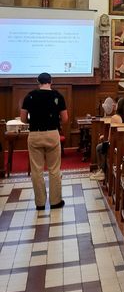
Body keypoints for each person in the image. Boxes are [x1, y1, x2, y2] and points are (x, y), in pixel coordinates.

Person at [19, 72, 68, 210]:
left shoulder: (30, 95)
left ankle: (40, 203)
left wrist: (33, 120)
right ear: (51, 82)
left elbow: (23, 119)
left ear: (38, 82)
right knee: (54, 169)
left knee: (36, 170)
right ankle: (55, 202)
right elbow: (65, 118)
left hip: (35, 134)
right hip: (52, 133)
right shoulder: (58, 96)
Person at [90, 97, 124, 181]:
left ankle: (102, 171)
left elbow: (110, 138)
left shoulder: (116, 118)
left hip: (118, 148)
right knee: (103, 145)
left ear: (119, 106)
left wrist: (104, 138)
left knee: (100, 147)